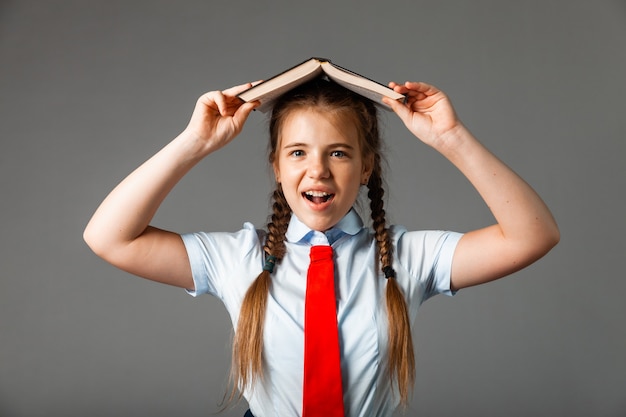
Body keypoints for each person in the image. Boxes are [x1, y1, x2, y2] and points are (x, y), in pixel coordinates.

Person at [83, 77, 559, 417]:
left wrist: (452, 138)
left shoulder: (406, 257)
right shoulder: (238, 258)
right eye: (298, 152)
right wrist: (195, 142)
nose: (318, 171)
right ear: (276, 166)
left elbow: (532, 235)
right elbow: (109, 237)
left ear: (366, 167)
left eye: (338, 152)